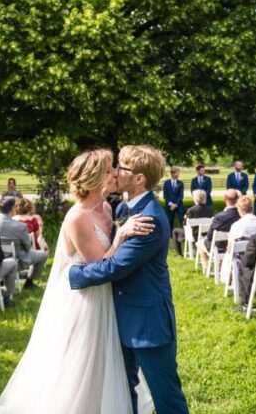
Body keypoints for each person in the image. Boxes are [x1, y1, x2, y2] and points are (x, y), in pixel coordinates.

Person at [0, 148, 160, 413]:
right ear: (96, 178)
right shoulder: (77, 217)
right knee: (81, 362)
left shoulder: (106, 206)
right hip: (85, 299)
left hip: (106, 296)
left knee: (105, 361)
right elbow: (100, 265)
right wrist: (120, 237)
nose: (116, 172)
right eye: (110, 169)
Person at [69, 145, 188, 414]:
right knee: (124, 392)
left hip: (148, 324)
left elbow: (116, 267)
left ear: (138, 179)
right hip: (119, 317)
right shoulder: (124, 207)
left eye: (121, 167)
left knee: (167, 398)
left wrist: (74, 273)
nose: (115, 171)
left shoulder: (150, 218)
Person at [0, 197, 48, 290]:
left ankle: (4, 279)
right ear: (12, 208)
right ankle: (29, 282)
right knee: (43, 255)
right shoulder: (20, 226)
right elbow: (27, 247)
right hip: (18, 260)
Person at [197, 189, 240, 273]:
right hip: (237, 247)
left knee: (199, 243)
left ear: (224, 200)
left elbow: (209, 236)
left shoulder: (219, 217)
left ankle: (206, 269)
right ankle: (219, 266)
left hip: (221, 248)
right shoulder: (241, 214)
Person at [170, 189, 213, 257]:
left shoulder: (191, 210)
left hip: (193, 234)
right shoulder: (210, 209)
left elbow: (184, 224)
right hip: (205, 234)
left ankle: (179, 254)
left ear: (195, 199)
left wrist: (185, 218)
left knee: (175, 230)